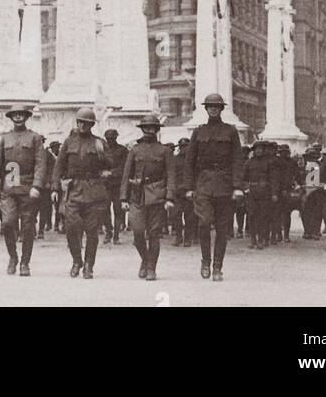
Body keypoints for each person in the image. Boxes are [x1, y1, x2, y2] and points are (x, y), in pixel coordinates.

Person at [179, 93, 244, 281]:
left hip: (224, 185)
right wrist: (189, 187)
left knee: (223, 229)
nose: (213, 109)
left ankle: (217, 267)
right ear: (206, 109)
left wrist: (237, 186)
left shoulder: (230, 132)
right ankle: (205, 261)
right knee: (204, 223)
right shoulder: (199, 132)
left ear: (221, 109)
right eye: (210, 106)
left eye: (216, 106)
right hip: (203, 185)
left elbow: (237, 160)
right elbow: (189, 162)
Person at [51, 107, 112, 279]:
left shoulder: (99, 142)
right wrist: (55, 188)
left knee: (92, 231)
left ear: (91, 124)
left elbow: (111, 165)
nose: (82, 125)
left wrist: (102, 157)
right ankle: (77, 260)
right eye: (80, 122)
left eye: (86, 123)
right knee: (71, 227)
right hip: (74, 190)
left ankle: (88, 266)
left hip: (94, 190)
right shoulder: (69, 142)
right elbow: (59, 166)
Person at [0, 103, 46, 276]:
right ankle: (13, 257)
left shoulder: (34, 138)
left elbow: (40, 164)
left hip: (28, 189)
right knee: (7, 223)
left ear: (26, 117)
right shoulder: (5, 139)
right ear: (11, 117)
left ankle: (25, 262)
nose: (18, 117)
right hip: (8, 189)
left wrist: (37, 186)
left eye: (21, 114)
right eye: (15, 115)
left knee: (28, 227)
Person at [120, 112, 175, 280]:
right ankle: (145, 259)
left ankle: (151, 267)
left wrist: (170, 197)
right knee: (137, 233)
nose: (149, 131)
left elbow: (171, 175)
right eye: (146, 128)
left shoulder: (165, 151)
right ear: (142, 129)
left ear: (157, 130)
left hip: (157, 196)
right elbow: (126, 174)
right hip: (137, 196)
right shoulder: (134, 150)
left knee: (154, 234)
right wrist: (123, 198)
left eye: (152, 128)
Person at [244, 140, 275, 250]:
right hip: (252, 192)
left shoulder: (269, 163)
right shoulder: (249, 163)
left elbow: (273, 179)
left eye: (261, 149)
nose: (259, 151)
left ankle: (262, 239)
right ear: (254, 150)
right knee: (252, 216)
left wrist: (274, 193)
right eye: (257, 149)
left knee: (263, 216)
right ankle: (253, 239)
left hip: (265, 193)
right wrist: (246, 188)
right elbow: (243, 178)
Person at [102, 128, 128, 244]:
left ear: (116, 138)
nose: (110, 140)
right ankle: (108, 232)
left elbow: (125, 168)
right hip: (105, 185)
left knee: (118, 211)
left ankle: (116, 235)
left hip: (118, 185)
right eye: (108, 138)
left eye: (112, 138)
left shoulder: (122, 151)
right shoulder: (102, 151)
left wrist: (112, 173)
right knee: (104, 210)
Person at [300, 144, 324, 239]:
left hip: (317, 191)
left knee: (317, 212)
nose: (312, 159)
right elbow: (299, 178)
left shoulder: (320, 166)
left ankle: (315, 231)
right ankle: (307, 231)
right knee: (305, 212)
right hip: (306, 191)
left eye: (314, 157)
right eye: (310, 157)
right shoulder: (303, 166)